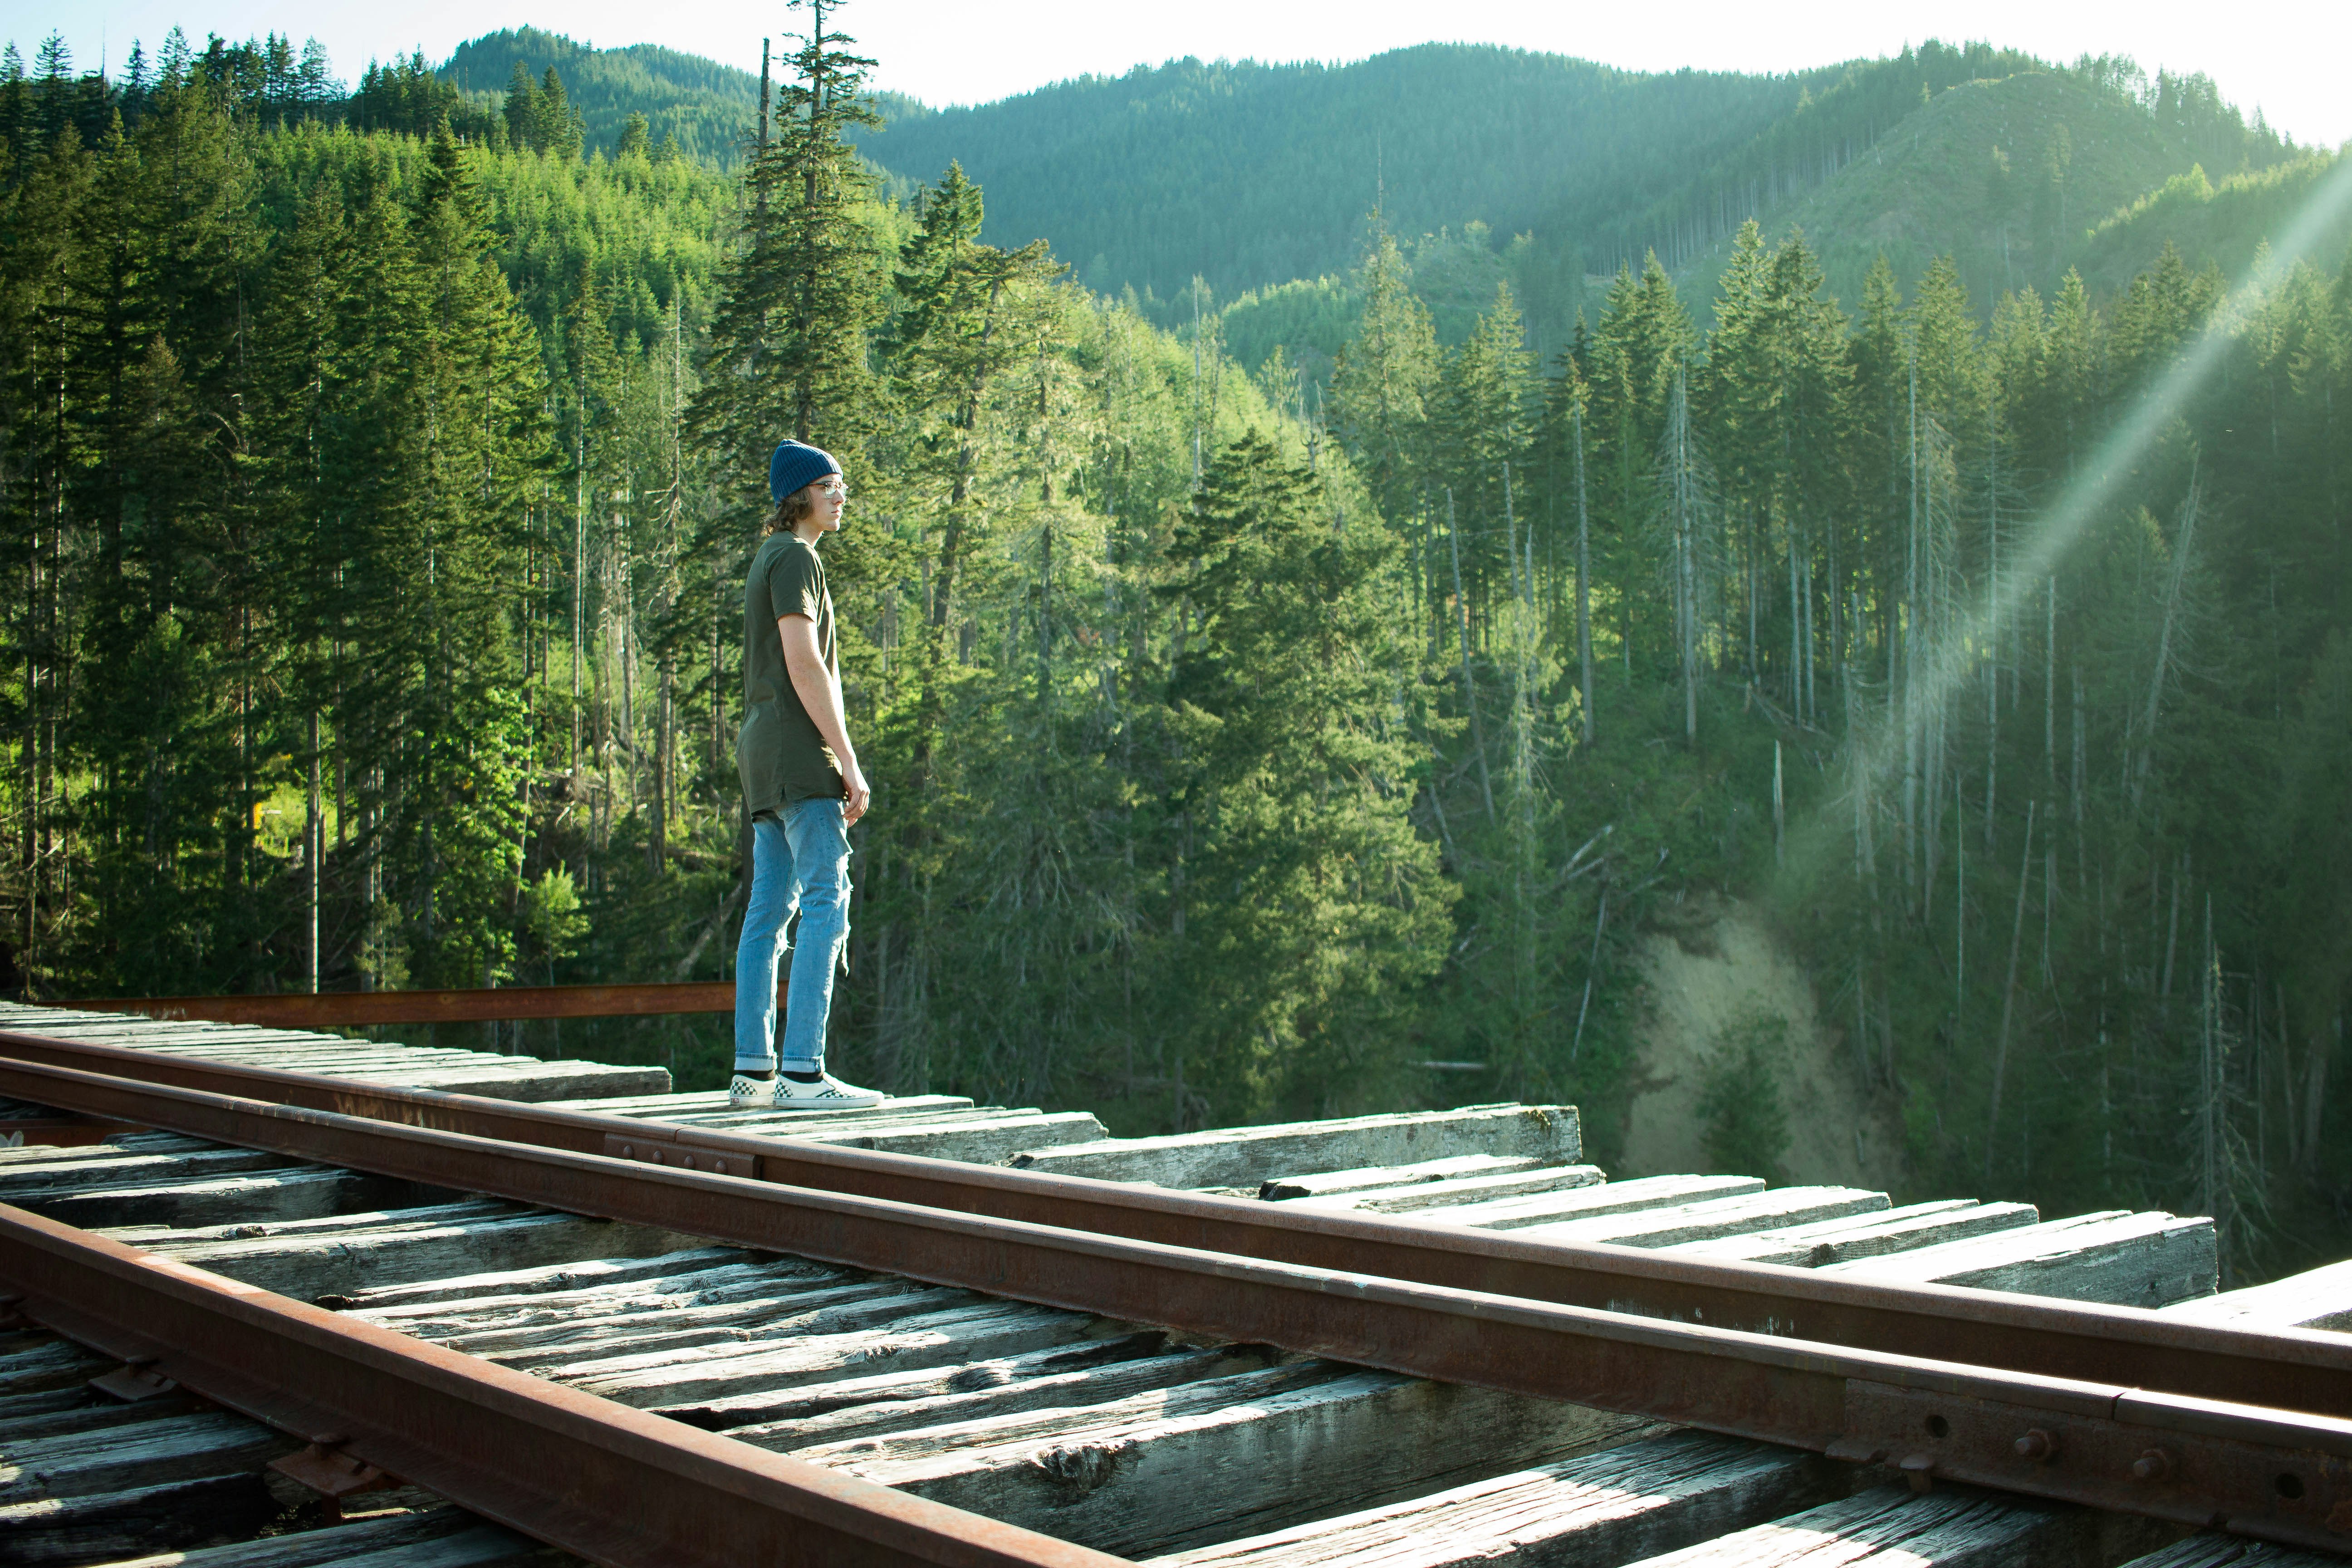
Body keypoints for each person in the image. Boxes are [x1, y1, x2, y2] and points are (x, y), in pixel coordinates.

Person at [730, 439, 883, 1109]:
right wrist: (848, 759)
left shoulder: (770, 557)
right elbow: (804, 663)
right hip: (799, 755)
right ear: (800, 496)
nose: (842, 495)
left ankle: (753, 1073)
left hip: (763, 757)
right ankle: (803, 1074)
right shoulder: (794, 557)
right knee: (828, 901)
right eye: (831, 486)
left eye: (842, 485)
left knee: (768, 913)